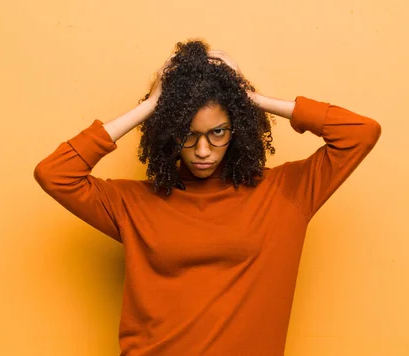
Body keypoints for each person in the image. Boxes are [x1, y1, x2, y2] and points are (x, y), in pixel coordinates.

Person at [33, 39, 381, 356]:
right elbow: (55, 174)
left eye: (217, 132)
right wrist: (153, 105)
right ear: (168, 133)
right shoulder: (133, 204)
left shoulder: (286, 193)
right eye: (188, 134)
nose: (203, 150)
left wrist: (252, 99)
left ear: (237, 129)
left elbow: (360, 133)